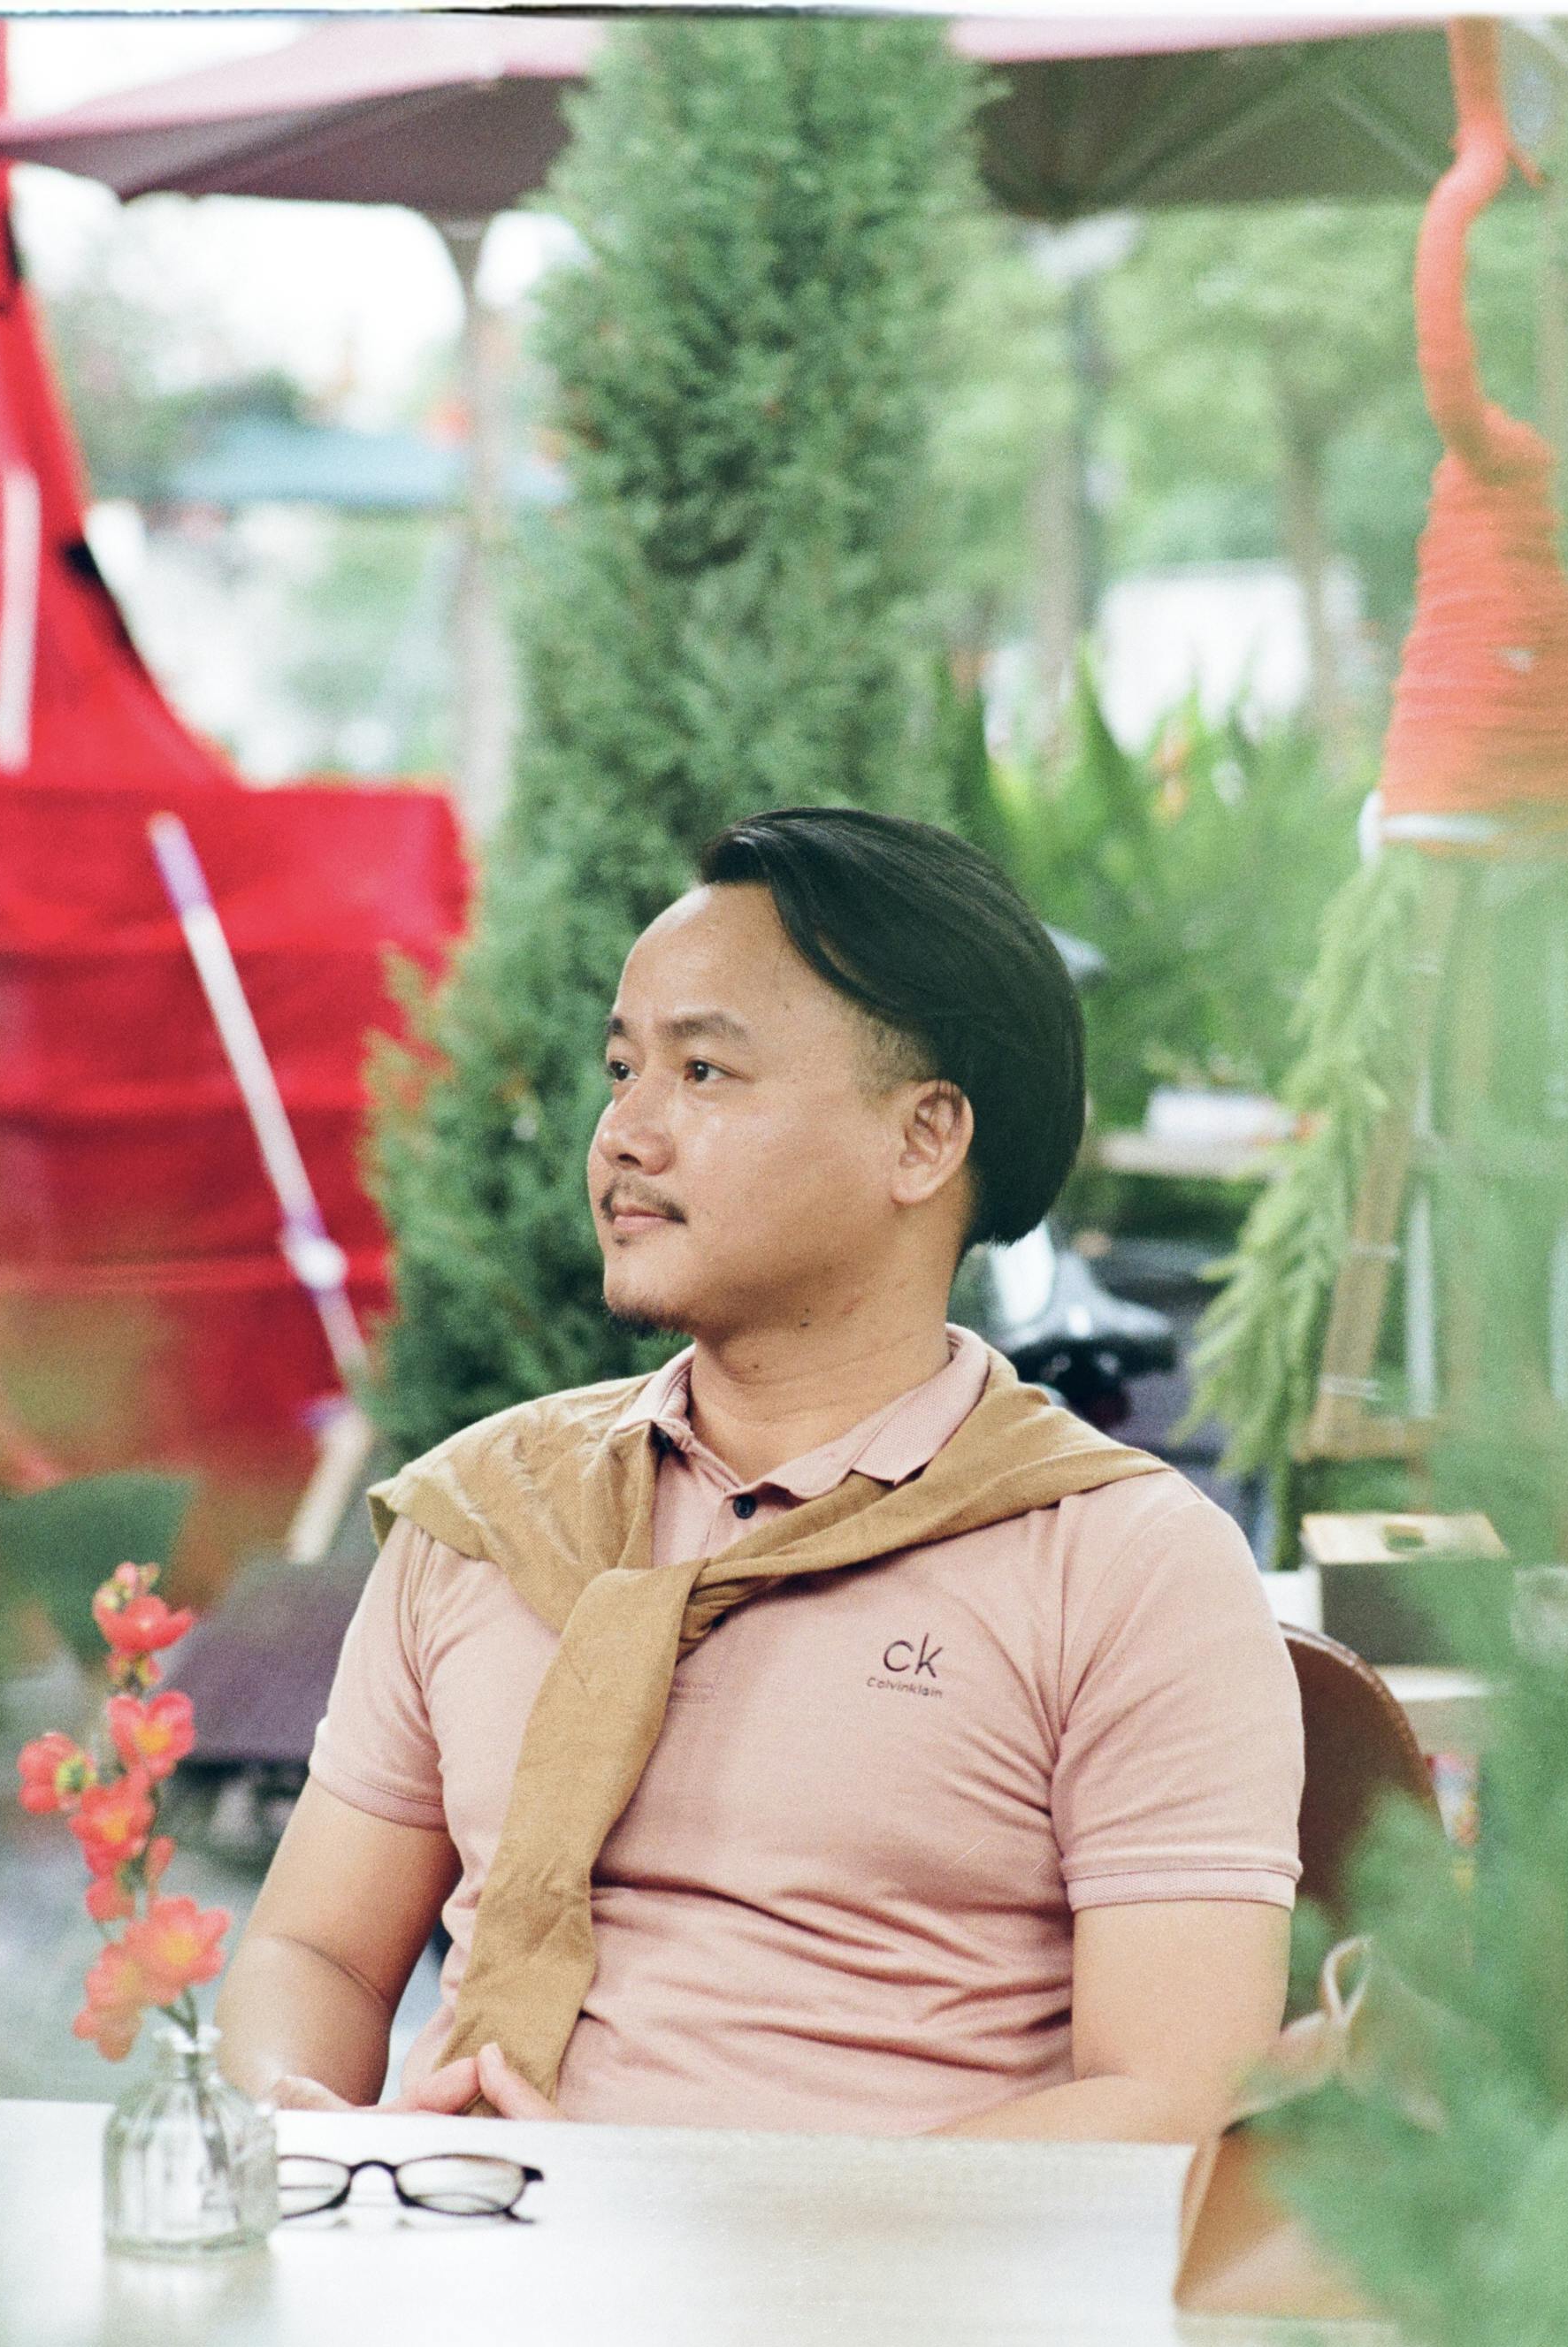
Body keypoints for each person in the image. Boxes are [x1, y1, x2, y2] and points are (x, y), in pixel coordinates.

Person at [218, 807, 1302, 2139]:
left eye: (705, 1074)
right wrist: (296, 2120)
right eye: (623, 1070)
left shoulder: (1122, 1565)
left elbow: (1175, 2099)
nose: (625, 1133)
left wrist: (719, 2235)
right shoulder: (490, 1514)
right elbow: (314, 1954)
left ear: (924, 1140)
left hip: (883, 2327)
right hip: (470, 2286)